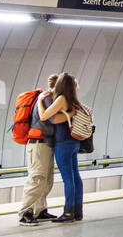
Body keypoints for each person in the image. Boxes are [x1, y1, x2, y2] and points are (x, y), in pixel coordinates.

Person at [36, 73, 87, 223]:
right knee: (76, 176)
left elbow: (44, 116)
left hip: (63, 143)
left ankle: (68, 212)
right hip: (74, 142)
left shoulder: (61, 99)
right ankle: (78, 211)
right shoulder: (74, 99)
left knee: (68, 179)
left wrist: (40, 101)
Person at [18, 74, 60, 226]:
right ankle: (25, 213)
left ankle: (40, 210)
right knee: (36, 179)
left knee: (46, 180)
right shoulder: (47, 98)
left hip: (46, 144)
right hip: (38, 144)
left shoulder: (51, 98)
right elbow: (50, 119)